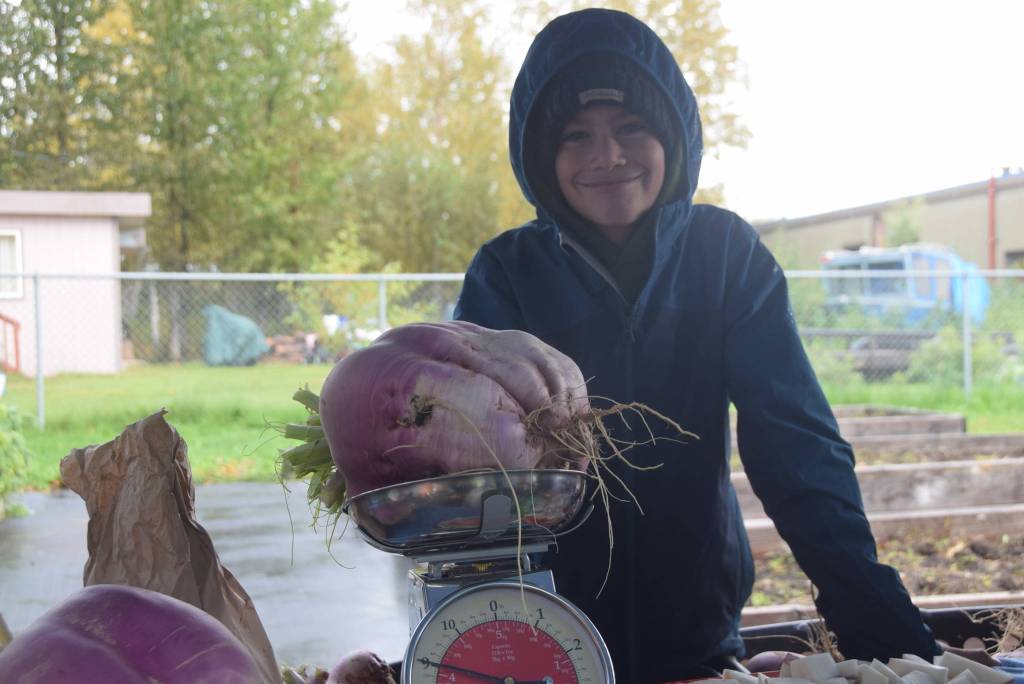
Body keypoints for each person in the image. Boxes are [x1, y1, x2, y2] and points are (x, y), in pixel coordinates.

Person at [453, 7, 944, 683]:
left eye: (632, 127)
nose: (608, 156)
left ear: (673, 138)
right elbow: (468, 467)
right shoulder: (506, 272)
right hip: (542, 633)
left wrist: (878, 621)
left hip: (699, 632)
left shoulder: (726, 256)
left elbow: (795, 443)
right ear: (540, 154)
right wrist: (471, 624)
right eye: (576, 135)